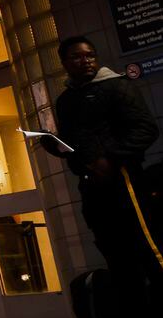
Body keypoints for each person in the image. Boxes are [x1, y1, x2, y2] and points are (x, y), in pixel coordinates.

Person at [43, 36, 160, 288]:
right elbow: (76, 141)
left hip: (124, 178)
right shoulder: (66, 100)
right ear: (64, 62)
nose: (85, 61)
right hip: (91, 184)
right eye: (77, 57)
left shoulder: (117, 86)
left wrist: (111, 158)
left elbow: (146, 129)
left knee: (146, 244)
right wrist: (56, 146)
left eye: (90, 55)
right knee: (114, 251)